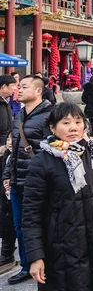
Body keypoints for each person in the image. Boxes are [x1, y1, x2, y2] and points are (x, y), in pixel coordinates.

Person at [22, 103, 93, 290]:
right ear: (52, 128)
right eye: (66, 123)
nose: (73, 127)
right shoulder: (42, 162)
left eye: (78, 122)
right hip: (62, 253)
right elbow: (31, 213)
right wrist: (36, 256)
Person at [2, 75, 53, 284]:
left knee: (41, 223)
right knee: (20, 225)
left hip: (38, 182)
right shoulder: (19, 115)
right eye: (18, 87)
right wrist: (8, 175)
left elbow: (53, 150)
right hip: (17, 180)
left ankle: (46, 262)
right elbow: (13, 150)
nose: (18, 90)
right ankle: (26, 264)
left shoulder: (51, 116)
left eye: (24, 87)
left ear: (38, 91)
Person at [0, 75, 16, 269]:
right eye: (13, 86)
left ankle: (7, 253)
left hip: (6, 156)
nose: (15, 90)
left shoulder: (6, 103)